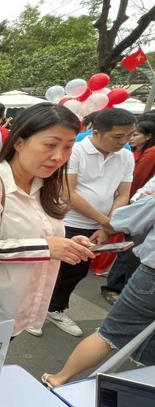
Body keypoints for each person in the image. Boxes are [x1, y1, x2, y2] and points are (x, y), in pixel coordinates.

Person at [0, 103, 95, 338]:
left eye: (68, 147)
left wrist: (69, 244)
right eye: (50, 145)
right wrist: (46, 248)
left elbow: (39, 234)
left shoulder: (44, 185)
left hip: (25, 302)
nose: (59, 156)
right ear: (19, 142)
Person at [42, 179, 155, 387]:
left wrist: (144, 202)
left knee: (110, 333)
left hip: (151, 276)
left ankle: (60, 378)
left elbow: (122, 219)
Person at [46, 108, 136, 337]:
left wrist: (105, 227)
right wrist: (107, 222)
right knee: (50, 268)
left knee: (76, 270)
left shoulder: (125, 156)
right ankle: (34, 311)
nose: (124, 142)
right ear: (96, 132)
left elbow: (123, 194)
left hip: (99, 225)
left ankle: (54, 308)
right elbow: (68, 192)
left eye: (129, 136)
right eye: (118, 137)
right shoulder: (75, 151)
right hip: (67, 220)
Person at [100, 119, 155, 303]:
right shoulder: (138, 153)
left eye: (133, 135)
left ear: (148, 136)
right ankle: (114, 286)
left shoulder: (138, 154)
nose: (127, 140)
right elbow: (139, 189)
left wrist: (110, 224)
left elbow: (134, 188)